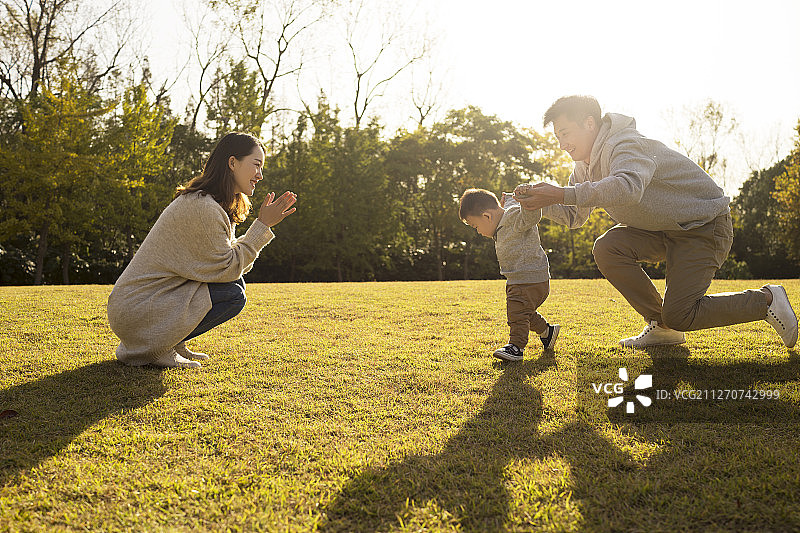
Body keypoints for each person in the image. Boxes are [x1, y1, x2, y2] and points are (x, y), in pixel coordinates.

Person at [514, 95, 798, 348]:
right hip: (663, 231)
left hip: (704, 227)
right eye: (557, 137)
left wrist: (559, 193)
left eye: (565, 134)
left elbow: (627, 187)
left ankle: (766, 300)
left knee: (681, 314)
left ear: (589, 123)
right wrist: (536, 203)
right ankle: (662, 327)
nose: (562, 145)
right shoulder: (582, 166)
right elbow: (574, 215)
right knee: (607, 247)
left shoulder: (624, 144)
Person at [107, 132, 297, 368]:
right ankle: (154, 349)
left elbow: (227, 268)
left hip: (141, 306)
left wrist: (261, 227)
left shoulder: (212, 203)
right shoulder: (203, 207)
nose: (260, 175)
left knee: (235, 286)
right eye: (256, 165)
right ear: (232, 163)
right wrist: (262, 225)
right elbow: (228, 269)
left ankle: (170, 341)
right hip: (136, 310)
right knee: (233, 294)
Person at [458, 188, 560, 361]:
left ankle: (516, 347)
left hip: (529, 278)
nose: (478, 231)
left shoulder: (512, 217)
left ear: (487, 217)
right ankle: (547, 332)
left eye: (476, 226)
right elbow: (511, 203)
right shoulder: (503, 218)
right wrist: (512, 197)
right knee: (523, 312)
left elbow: (531, 216)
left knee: (517, 313)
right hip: (519, 279)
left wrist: (526, 198)